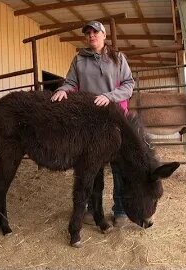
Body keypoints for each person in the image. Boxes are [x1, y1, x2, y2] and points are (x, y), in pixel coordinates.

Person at [51, 20, 135, 227]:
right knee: (92, 166)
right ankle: (92, 209)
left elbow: (128, 84)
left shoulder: (117, 58)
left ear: (104, 35)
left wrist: (110, 96)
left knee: (118, 166)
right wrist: (63, 89)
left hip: (115, 118)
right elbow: (71, 82)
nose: (91, 36)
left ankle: (120, 210)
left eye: (95, 32)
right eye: (88, 33)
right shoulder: (79, 59)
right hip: (90, 122)